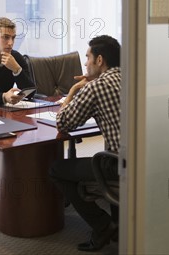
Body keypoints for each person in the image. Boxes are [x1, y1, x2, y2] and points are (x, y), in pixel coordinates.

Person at [49, 35, 121, 252]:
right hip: (147, 158)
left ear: (100, 60)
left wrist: (72, 91)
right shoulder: (135, 78)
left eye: (88, 57)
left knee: (56, 169)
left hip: (118, 165)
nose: (85, 63)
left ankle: (103, 226)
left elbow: (63, 122)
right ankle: (116, 222)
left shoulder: (95, 88)